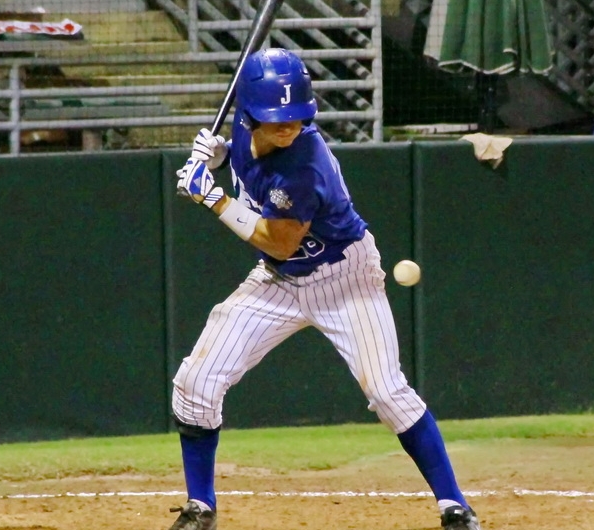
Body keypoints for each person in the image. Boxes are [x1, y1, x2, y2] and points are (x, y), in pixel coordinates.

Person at [169, 48, 481, 530]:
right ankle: (200, 506)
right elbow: (257, 181)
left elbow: (278, 240)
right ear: (249, 113)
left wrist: (211, 196)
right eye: (277, 119)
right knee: (196, 382)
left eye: (295, 117)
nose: (288, 126)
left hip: (344, 279)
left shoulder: (307, 164)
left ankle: (454, 505)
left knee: (386, 392)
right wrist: (223, 157)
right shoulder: (241, 125)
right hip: (277, 283)